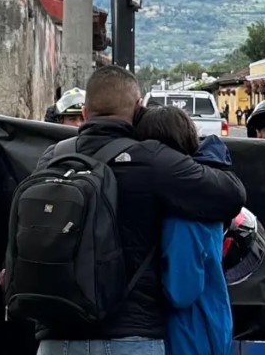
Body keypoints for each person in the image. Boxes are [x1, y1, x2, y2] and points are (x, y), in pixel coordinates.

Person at [25, 65, 246, 355]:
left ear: (84, 113)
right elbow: (231, 195)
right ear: (138, 108)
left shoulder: (52, 157)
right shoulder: (153, 160)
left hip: (55, 337)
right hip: (130, 337)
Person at [133, 105, 239, 355]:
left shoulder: (184, 212)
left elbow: (181, 290)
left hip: (189, 333)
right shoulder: (203, 191)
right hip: (208, 323)